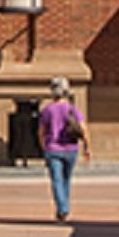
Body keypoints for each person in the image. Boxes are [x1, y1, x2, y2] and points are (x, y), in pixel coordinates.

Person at [35, 77, 90, 222]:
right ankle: (63, 206)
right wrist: (87, 146)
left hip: (53, 149)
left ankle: (62, 208)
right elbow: (84, 128)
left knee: (57, 180)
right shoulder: (73, 109)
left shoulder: (47, 110)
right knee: (66, 179)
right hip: (71, 148)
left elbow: (41, 131)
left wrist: (44, 147)